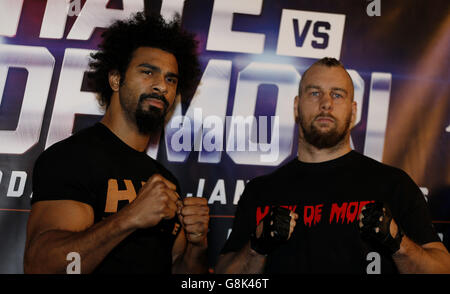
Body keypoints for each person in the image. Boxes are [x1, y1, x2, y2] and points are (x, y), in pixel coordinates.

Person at [215, 57, 450, 274]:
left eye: (337, 95)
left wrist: (399, 244)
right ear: (297, 107)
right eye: (315, 93)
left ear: (354, 111)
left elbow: (442, 268)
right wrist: (257, 247)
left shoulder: (393, 185)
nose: (326, 103)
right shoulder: (261, 191)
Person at [24, 12, 209, 274]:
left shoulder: (165, 180)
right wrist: (129, 218)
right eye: (148, 72)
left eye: (171, 79)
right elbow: (41, 266)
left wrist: (197, 246)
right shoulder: (70, 159)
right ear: (115, 79)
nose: (161, 86)